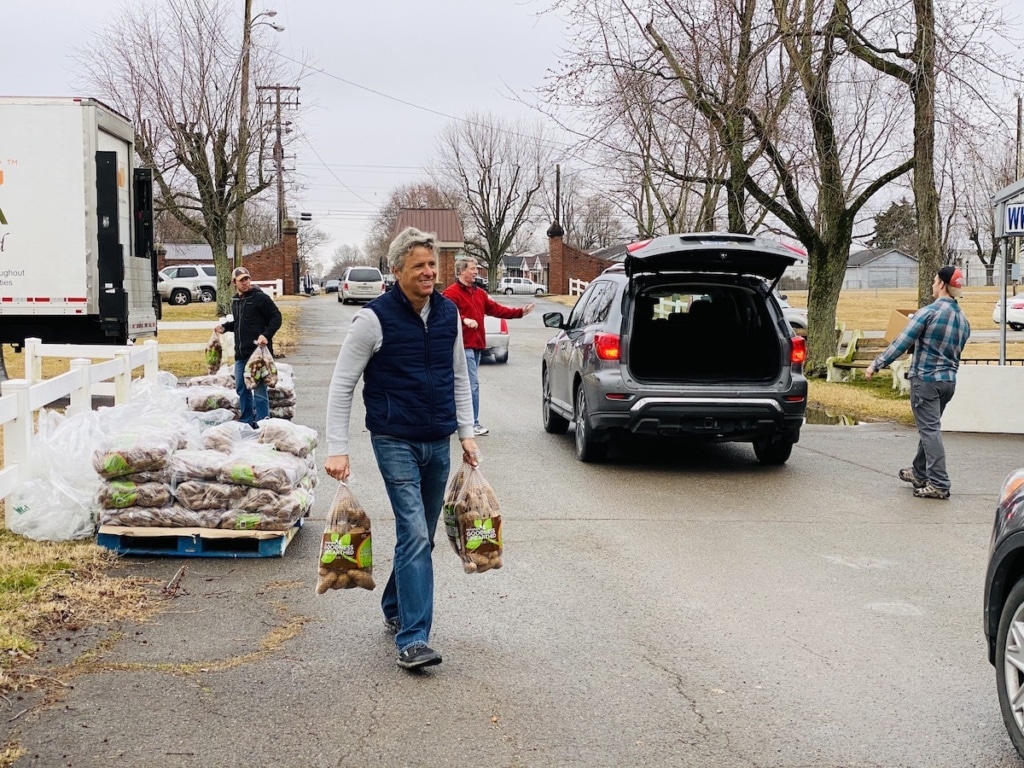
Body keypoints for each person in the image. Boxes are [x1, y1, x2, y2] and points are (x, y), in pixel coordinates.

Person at [324, 227, 479, 671]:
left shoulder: (448, 313)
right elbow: (342, 387)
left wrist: (466, 432)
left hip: (439, 439)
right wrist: (338, 447)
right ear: (396, 271)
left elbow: (458, 378)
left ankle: (394, 605)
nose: (429, 272)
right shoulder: (373, 320)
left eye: (433, 264)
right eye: (419, 266)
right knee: (413, 532)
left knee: (423, 537)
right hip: (393, 439)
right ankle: (413, 639)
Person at [865, 265, 971, 500]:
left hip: (925, 380)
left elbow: (901, 342)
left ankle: (939, 483)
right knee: (929, 428)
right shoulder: (963, 321)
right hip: (948, 383)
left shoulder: (928, 312)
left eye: (935, 281)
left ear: (942, 284)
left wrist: (876, 364)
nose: (933, 285)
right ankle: (920, 473)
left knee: (930, 431)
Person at [442, 257, 534, 435]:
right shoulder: (451, 294)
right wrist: (463, 320)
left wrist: (520, 312)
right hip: (462, 346)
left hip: (476, 345)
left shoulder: (479, 293)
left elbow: (497, 309)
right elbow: (445, 317)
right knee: (471, 384)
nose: (476, 272)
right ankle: (472, 423)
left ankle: (458, 420)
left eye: (476, 269)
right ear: (461, 271)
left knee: (464, 384)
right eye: (472, 269)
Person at [214, 267, 282, 428]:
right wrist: (225, 327)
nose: (245, 283)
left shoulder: (260, 298)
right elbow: (239, 323)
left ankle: (262, 423)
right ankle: (246, 421)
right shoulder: (236, 301)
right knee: (241, 388)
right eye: (241, 280)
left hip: (257, 353)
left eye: (247, 279)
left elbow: (276, 317)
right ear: (234, 283)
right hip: (241, 352)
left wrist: (266, 334)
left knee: (258, 389)